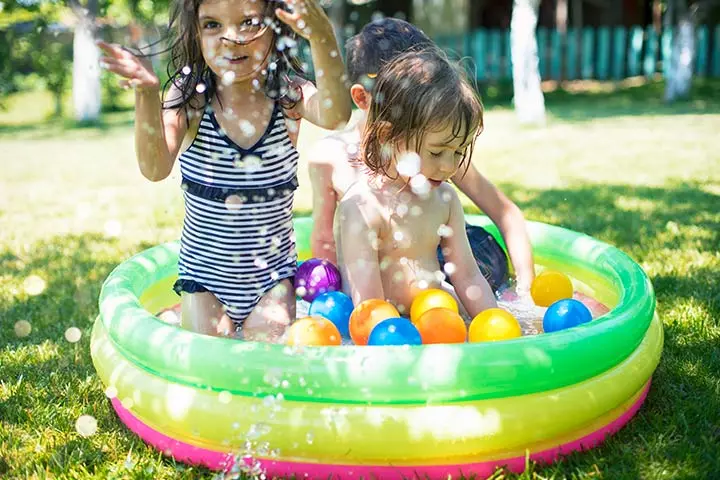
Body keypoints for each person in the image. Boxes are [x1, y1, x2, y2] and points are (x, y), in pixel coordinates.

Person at [97, 0, 351, 342]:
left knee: (265, 360)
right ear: (195, 33)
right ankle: (179, 311)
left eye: (248, 22)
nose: (231, 37)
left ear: (276, 28)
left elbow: (336, 115)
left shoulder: (288, 95)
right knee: (209, 351)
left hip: (271, 278)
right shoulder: (190, 97)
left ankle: (179, 314)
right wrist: (146, 93)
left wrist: (321, 37)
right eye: (213, 25)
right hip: (206, 276)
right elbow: (155, 168)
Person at [309, 18, 535, 295]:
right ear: (362, 97)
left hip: (455, 258)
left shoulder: (438, 153)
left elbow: (507, 214)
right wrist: (331, 297)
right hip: (375, 275)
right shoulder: (331, 156)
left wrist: (525, 293)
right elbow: (324, 241)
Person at [334, 47, 499, 318]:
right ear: (389, 136)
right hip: (386, 325)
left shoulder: (444, 199)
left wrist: (496, 326)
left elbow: (468, 277)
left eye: (458, 152)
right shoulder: (363, 208)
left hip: (434, 312)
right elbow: (368, 305)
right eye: (436, 152)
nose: (448, 166)